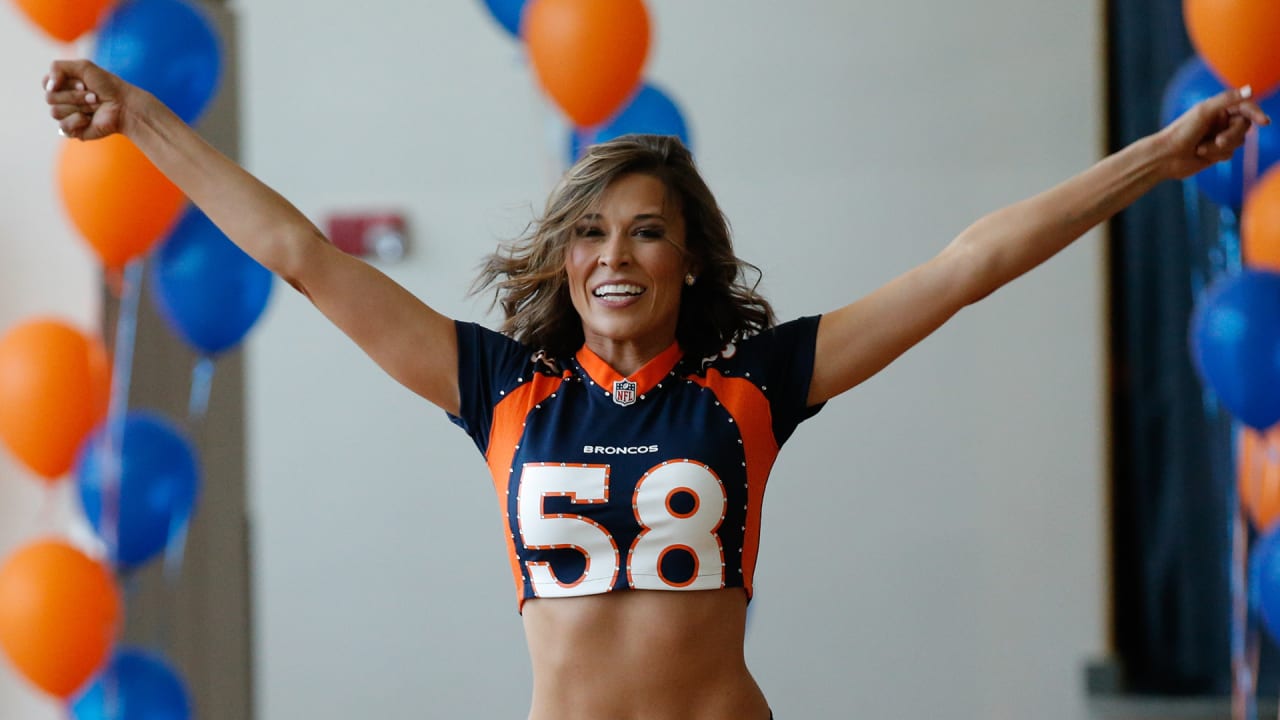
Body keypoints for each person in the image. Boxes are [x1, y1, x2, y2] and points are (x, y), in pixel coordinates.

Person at [43, 58, 1267, 720]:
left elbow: (965, 268)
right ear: (562, 260)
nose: (614, 255)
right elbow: (300, 256)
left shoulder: (754, 385)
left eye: (644, 232)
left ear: (688, 261)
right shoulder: (499, 389)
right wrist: (139, 116)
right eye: (590, 233)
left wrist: (1156, 160)